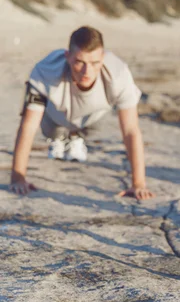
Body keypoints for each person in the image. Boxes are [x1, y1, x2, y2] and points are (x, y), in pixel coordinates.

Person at [9, 26, 155, 200]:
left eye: (94, 63)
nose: (87, 71)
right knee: (53, 132)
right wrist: (18, 177)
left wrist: (138, 184)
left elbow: (131, 130)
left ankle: (75, 137)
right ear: (67, 56)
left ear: (103, 58)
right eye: (80, 62)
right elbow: (28, 126)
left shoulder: (118, 74)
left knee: (92, 129)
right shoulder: (45, 71)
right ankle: (60, 139)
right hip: (55, 117)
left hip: (91, 118)